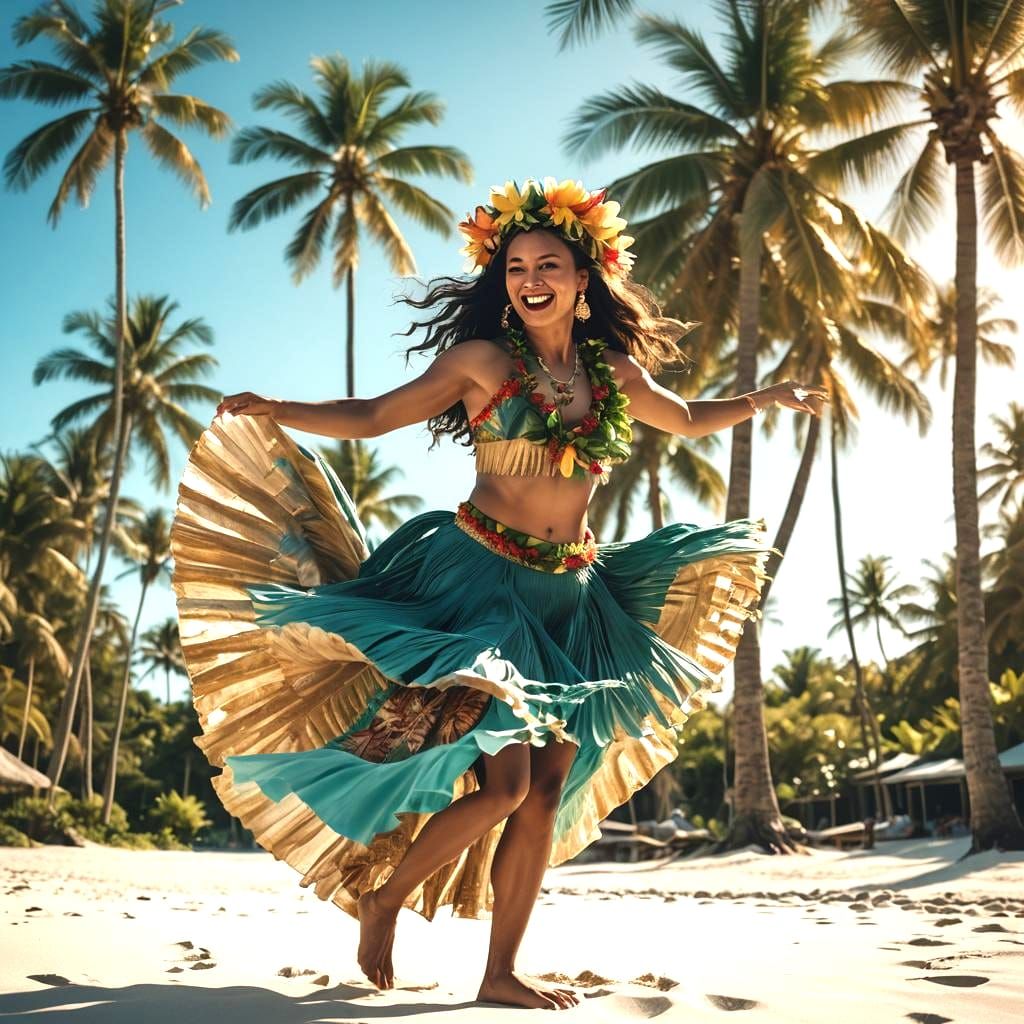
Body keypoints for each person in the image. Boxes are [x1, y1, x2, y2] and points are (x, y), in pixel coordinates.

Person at [172, 176, 828, 1011]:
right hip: (481, 588)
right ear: (503, 281)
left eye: (547, 263)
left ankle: (498, 972)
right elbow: (375, 414)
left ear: (583, 279)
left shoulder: (611, 372)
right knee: (509, 785)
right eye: (515, 266)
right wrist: (278, 407)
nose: (530, 278)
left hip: (573, 600)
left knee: (546, 792)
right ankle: (384, 899)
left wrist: (767, 395)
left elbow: (688, 417)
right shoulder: (483, 363)